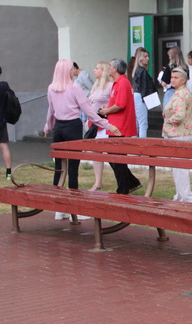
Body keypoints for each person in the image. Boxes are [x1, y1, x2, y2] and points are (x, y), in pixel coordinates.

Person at [44, 60, 119, 221]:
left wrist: (48, 126)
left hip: (59, 128)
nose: (73, 71)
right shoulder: (74, 88)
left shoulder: (52, 88)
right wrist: (107, 124)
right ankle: (73, 211)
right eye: (71, 69)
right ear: (66, 71)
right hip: (72, 127)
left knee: (60, 168)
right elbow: (89, 111)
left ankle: (59, 208)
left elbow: (51, 110)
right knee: (72, 168)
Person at [98, 58, 141, 194]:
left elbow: (120, 105)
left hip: (120, 127)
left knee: (117, 159)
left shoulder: (122, 83)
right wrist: (107, 108)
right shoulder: (117, 83)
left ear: (115, 69)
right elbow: (116, 103)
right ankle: (131, 183)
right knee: (114, 158)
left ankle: (124, 188)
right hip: (115, 125)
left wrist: (106, 111)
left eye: (110, 66)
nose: (108, 68)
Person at [162, 67, 192, 203]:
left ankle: (186, 197)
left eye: (176, 77)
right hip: (181, 132)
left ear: (184, 80)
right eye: (172, 77)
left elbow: (179, 115)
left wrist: (167, 119)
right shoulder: (181, 92)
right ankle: (180, 195)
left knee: (180, 168)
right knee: (178, 168)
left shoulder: (181, 94)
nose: (172, 80)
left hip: (180, 133)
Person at [85, 61, 113, 191]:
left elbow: (113, 103)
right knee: (95, 152)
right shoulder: (95, 86)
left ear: (103, 71)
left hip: (104, 123)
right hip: (93, 124)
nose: (94, 70)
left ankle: (125, 179)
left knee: (109, 153)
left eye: (97, 68)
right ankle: (98, 181)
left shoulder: (110, 86)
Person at [131, 48, 156, 138]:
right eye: (145, 56)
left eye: (148, 56)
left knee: (138, 122)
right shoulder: (142, 71)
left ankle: (136, 142)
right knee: (143, 123)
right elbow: (144, 87)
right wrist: (149, 101)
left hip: (137, 95)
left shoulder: (138, 70)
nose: (148, 58)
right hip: (141, 95)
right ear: (140, 58)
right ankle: (142, 143)